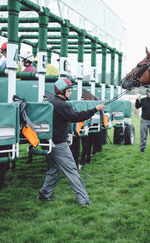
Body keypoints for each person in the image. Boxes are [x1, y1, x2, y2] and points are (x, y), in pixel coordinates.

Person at [38, 78, 105, 206]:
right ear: (61, 92)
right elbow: (77, 117)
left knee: (54, 169)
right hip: (59, 145)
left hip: (48, 142)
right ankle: (84, 200)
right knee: (72, 171)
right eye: (69, 91)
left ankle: (44, 195)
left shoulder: (52, 102)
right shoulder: (62, 105)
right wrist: (95, 109)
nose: (70, 93)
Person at [135, 88, 150, 154]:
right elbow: (137, 106)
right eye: (149, 93)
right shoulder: (143, 100)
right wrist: (137, 99)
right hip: (144, 121)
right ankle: (142, 148)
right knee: (143, 136)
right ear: (147, 93)